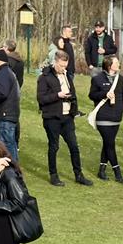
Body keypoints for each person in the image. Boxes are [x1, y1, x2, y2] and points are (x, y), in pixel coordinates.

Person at [36, 50, 90, 187]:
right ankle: (53, 175)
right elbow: (41, 99)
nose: (63, 68)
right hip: (52, 117)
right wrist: (58, 95)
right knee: (54, 146)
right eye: (61, 66)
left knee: (74, 146)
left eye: (65, 66)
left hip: (67, 118)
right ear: (55, 62)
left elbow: (73, 93)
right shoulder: (44, 77)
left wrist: (73, 107)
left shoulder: (67, 75)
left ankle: (78, 175)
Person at [89, 55, 123, 180]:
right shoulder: (97, 79)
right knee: (110, 144)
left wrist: (121, 108)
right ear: (110, 65)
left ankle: (102, 170)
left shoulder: (120, 79)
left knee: (107, 143)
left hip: (116, 117)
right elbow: (92, 95)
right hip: (103, 116)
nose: (118, 64)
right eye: (116, 62)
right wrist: (104, 94)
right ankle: (117, 172)